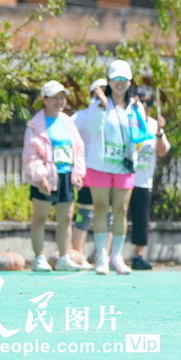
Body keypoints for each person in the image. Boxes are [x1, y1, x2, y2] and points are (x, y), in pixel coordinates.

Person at [83, 60, 145, 275]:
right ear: (108, 81)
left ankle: (116, 257)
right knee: (101, 208)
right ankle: (101, 255)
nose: (120, 83)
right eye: (115, 79)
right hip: (99, 165)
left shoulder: (136, 106)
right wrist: (100, 107)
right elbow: (91, 129)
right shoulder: (98, 104)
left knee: (121, 210)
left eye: (124, 79)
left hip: (124, 166)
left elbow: (140, 136)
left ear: (130, 81)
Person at [22, 81, 86, 272]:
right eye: (55, 97)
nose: (60, 101)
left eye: (62, 97)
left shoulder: (67, 122)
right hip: (44, 177)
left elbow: (78, 148)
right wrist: (40, 177)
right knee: (40, 217)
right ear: (45, 99)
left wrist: (79, 173)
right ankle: (39, 258)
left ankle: (64, 257)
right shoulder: (35, 125)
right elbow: (30, 154)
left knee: (66, 218)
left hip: (65, 175)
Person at [129, 85, 170, 270]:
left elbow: (162, 152)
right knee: (117, 217)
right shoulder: (128, 120)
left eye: (149, 102)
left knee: (141, 220)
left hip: (144, 181)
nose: (146, 106)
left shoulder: (154, 125)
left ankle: (138, 256)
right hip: (125, 177)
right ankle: (109, 254)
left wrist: (160, 132)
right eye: (142, 101)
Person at [70, 78, 108, 267]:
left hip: (108, 170)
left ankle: (105, 255)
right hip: (86, 171)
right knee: (84, 213)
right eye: (96, 92)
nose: (98, 97)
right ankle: (78, 254)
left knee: (108, 213)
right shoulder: (80, 116)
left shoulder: (115, 115)